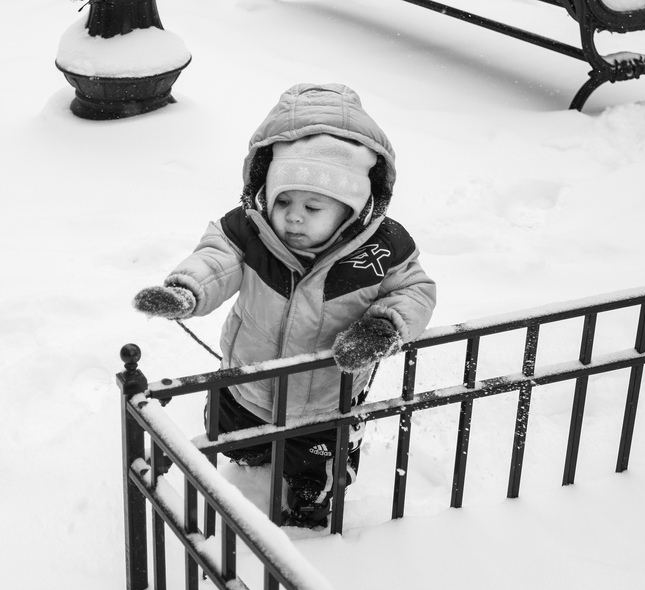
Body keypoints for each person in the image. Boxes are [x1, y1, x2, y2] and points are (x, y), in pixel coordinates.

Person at [133, 83, 437, 527]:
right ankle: (250, 448)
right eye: (284, 201)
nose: (294, 216)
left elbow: (415, 291)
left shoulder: (382, 249)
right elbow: (215, 261)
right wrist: (187, 291)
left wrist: (381, 328)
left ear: (351, 209)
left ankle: (314, 497)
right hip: (248, 380)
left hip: (327, 395)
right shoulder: (248, 232)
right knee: (235, 439)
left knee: (316, 471)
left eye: (313, 206)